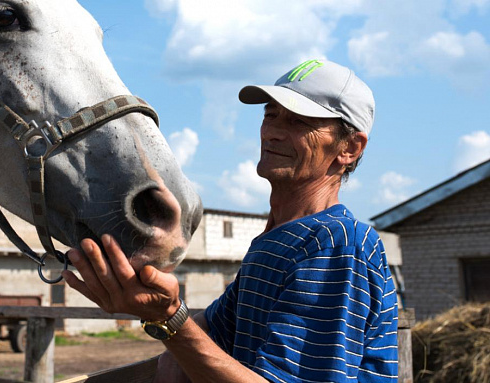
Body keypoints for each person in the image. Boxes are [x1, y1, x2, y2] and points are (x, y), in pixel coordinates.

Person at [62, 59, 399, 382]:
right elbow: (208, 333)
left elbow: (181, 328)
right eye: (271, 115)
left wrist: (167, 318)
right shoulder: (277, 241)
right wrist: (142, 285)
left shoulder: (336, 245)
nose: (273, 133)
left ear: (350, 149)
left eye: (298, 122)